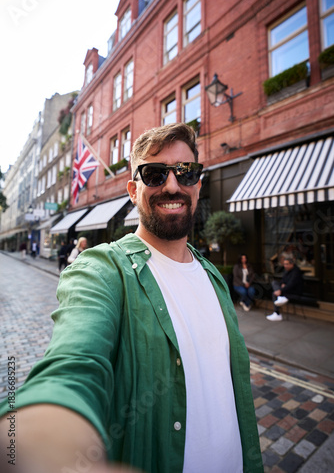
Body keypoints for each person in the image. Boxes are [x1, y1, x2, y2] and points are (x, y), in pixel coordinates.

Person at [0, 123, 263, 473]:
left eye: (186, 173)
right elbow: (75, 364)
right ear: (132, 190)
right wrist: (44, 446)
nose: (172, 185)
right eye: (154, 174)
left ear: (198, 185)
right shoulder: (102, 269)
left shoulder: (213, 275)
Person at [266, 256, 303, 321]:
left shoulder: (296, 272)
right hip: (285, 290)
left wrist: (281, 289)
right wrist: (281, 287)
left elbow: (291, 284)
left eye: (287, 264)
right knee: (274, 283)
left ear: (292, 264)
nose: (285, 266)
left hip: (293, 292)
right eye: (284, 264)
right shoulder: (286, 271)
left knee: (275, 294)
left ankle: (277, 313)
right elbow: (283, 281)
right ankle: (277, 312)